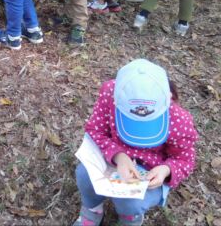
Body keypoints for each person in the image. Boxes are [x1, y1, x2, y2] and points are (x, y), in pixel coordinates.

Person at [74, 59, 198, 226]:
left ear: (168, 99)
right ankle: (92, 208)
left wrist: (166, 170)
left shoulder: (178, 120)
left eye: (148, 125)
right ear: (115, 101)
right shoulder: (109, 93)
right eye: (131, 122)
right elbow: (96, 130)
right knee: (83, 174)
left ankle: (130, 218)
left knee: (131, 202)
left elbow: (185, 159)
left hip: (149, 171)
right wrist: (118, 156)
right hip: (111, 158)